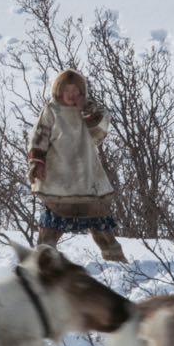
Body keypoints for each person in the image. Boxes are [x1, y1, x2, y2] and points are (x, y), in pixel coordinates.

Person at [28, 68, 126, 262]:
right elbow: (39, 137)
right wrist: (37, 162)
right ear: (59, 91)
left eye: (76, 91)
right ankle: (42, 261)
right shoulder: (52, 110)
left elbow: (99, 131)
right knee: (50, 227)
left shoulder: (90, 110)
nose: (72, 95)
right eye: (68, 90)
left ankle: (116, 260)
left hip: (86, 176)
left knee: (99, 222)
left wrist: (87, 109)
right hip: (59, 178)